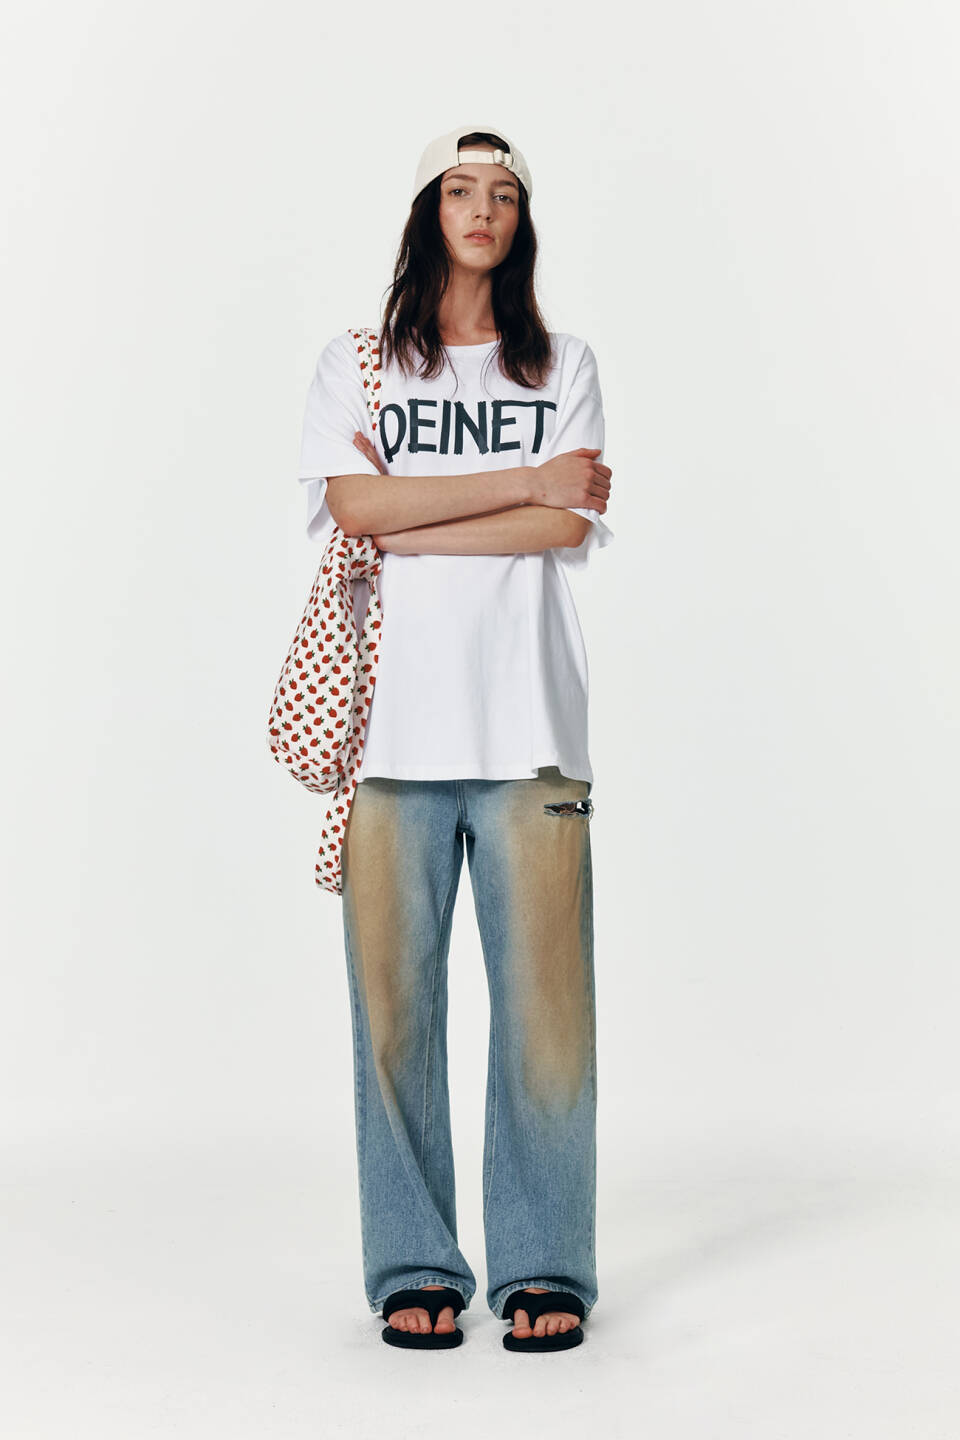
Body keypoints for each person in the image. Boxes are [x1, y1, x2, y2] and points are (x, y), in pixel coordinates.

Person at [295, 125, 614, 1352]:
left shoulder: (563, 363)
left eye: (505, 194)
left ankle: (544, 1266)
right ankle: (414, 1264)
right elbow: (353, 510)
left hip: (533, 733)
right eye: (461, 189)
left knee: (547, 1016)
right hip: (390, 741)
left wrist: (419, 515)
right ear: (430, 209)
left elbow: (565, 531)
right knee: (393, 1016)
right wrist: (525, 482)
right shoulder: (359, 364)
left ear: (521, 222)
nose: (482, 209)